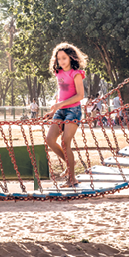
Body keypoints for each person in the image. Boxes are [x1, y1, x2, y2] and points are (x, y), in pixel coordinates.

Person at [44, 42, 88, 188]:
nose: (61, 61)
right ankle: (70, 162)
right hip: (60, 111)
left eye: (64, 58)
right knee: (50, 139)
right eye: (59, 59)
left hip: (73, 111)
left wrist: (60, 105)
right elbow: (60, 94)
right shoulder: (59, 73)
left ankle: (72, 178)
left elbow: (80, 95)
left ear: (71, 58)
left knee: (65, 141)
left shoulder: (76, 74)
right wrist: (53, 110)